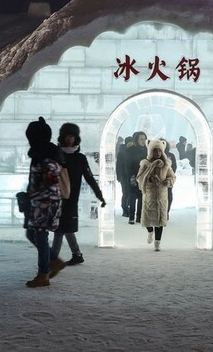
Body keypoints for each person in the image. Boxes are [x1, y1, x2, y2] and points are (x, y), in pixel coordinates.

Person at [53, 122, 106, 267]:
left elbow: (89, 178)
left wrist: (99, 195)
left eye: (72, 136)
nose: (69, 139)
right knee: (63, 228)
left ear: (76, 138)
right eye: (67, 136)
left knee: (62, 228)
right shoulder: (56, 155)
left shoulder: (80, 158)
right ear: (62, 137)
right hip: (57, 197)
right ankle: (75, 255)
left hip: (71, 199)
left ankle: (54, 258)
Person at [23, 117, 66, 288]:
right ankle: (53, 261)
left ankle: (44, 273)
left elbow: (51, 182)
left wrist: (33, 193)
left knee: (39, 236)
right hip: (40, 202)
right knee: (32, 234)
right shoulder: (40, 154)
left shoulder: (47, 157)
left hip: (46, 203)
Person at [136, 139, 176, 251]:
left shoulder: (166, 164)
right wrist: (148, 179)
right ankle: (150, 232)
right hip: (150, 195)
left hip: (162, 195)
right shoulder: (145, 164)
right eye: (155, 150)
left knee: (160, 221)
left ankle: (157, 243)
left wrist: (168, 182)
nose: (157, 153)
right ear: (150, 151)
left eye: (159, 150)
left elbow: (172, 176)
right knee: (148, 219)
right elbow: (139, 177)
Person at [125, 131, 148, 225]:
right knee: (132, 197)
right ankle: (131, 216)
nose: (143, 141)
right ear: (137, 140)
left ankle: (139, 216)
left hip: (144, 177)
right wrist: (131, 176)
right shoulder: (131, 150)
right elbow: (128, 165)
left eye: (144, 139)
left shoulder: (147, 150)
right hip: (133, 175)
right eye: (141, 139)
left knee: (142, 197)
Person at [116, 135, 133, 217]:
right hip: (124, 176)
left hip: (132, 176)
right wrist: (119, 176)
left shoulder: (134, 152)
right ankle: (125, 209)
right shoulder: (121, 153)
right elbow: (118, 165)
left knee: (131, 194)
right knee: (125, 193)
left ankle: (129, 208)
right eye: (129, 143)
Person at [163, 139, 178, 215]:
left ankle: (166, 211)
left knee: (169, 195)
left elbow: (174, 166)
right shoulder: (153, 155)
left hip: (168, 178)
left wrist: (170, 176)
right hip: (158, 179)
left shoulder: (171, 155)